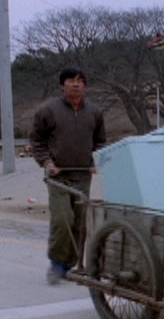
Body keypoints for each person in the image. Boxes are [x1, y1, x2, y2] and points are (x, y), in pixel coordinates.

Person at [29, 67, 106, 285]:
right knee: (63, 220)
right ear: (62, 85)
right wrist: (47, 162)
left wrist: (95, 162)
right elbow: (37, 141)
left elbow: (100, 141)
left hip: (83, 176)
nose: (76, 84)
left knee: (79, 223)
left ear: (86, 86)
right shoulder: (48, 111)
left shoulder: (95, 113)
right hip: (58, 176)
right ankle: (56, 264)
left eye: (80, 80)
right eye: (71, 80)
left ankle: (69, 264)